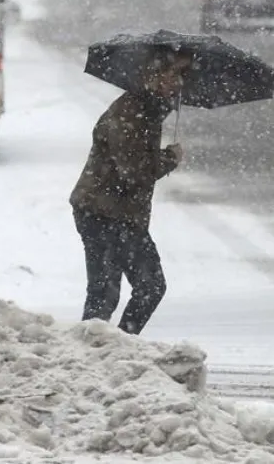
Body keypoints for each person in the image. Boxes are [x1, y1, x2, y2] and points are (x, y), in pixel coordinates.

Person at [69, 48, 192, 335]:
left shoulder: (147, 111)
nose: (180, 82)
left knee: (108, 293)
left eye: (184, 74)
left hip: (113, 212)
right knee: (137, 288)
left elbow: (135, 168)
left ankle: (103, 355)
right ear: (153, 74)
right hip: (105, 212)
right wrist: (169, 159)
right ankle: (111, 354)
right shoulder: (131, 113)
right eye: (175, 73)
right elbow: (134, 172)